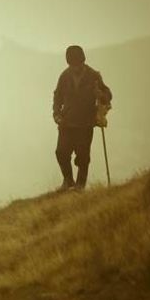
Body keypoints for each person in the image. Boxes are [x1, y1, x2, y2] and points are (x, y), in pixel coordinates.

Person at [52, 45, 112, 191]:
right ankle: (68, 180)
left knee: (83, 156)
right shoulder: (64, 76)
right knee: (61, 152)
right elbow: (57, 96)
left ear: (82, 61)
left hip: (85, 123)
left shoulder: (93, 76)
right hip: (66, 122)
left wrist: (101, 95)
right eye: (72, 64)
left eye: (77, 63)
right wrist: (56, 114)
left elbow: (108, 95)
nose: (75, 67)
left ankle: (80, 185)